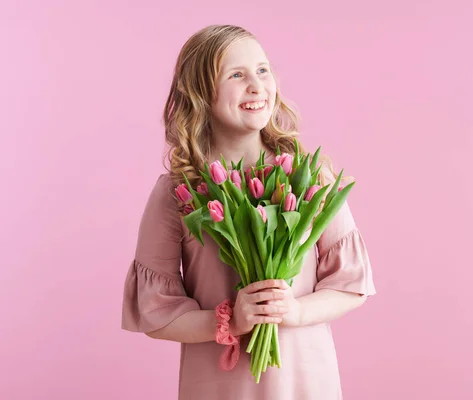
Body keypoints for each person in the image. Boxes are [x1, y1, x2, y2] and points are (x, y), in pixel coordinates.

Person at [121, 24, 376, 399]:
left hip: (304, 381)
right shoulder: (178, 192)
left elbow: (351, 284)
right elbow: (157, 314)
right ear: (200, 94)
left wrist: (294, 312)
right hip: (220, 386)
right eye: (236, 75)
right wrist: (229, 320)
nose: (256, 85)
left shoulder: (307, 176)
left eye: (262, 70)